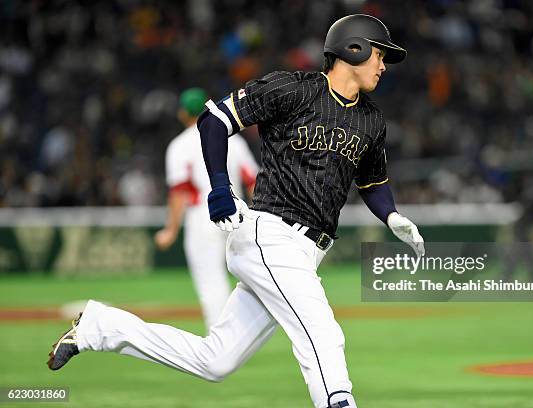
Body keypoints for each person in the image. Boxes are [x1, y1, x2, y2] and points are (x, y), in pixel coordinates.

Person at [47, 15, 425, 408]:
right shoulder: (292, 89)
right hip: (271, 233)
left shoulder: (370, 119)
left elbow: (372, 181)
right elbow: (213, 120)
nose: (383, 65)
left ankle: (99, 327)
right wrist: (220, 187)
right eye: (379, 54)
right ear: (354, 49)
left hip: (305, 251)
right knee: (322, 332)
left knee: (216, 360)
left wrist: (392, 215)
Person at [154, 88, 258, 332]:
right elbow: (253, 180)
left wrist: (170, 230)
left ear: (182, 113)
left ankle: (221, 339)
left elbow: (179, 191)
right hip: (239, 213)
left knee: (212, 282)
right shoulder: (233, 138)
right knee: (251, 277)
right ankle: (247, 331)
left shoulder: (179, 145)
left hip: (203, 216)